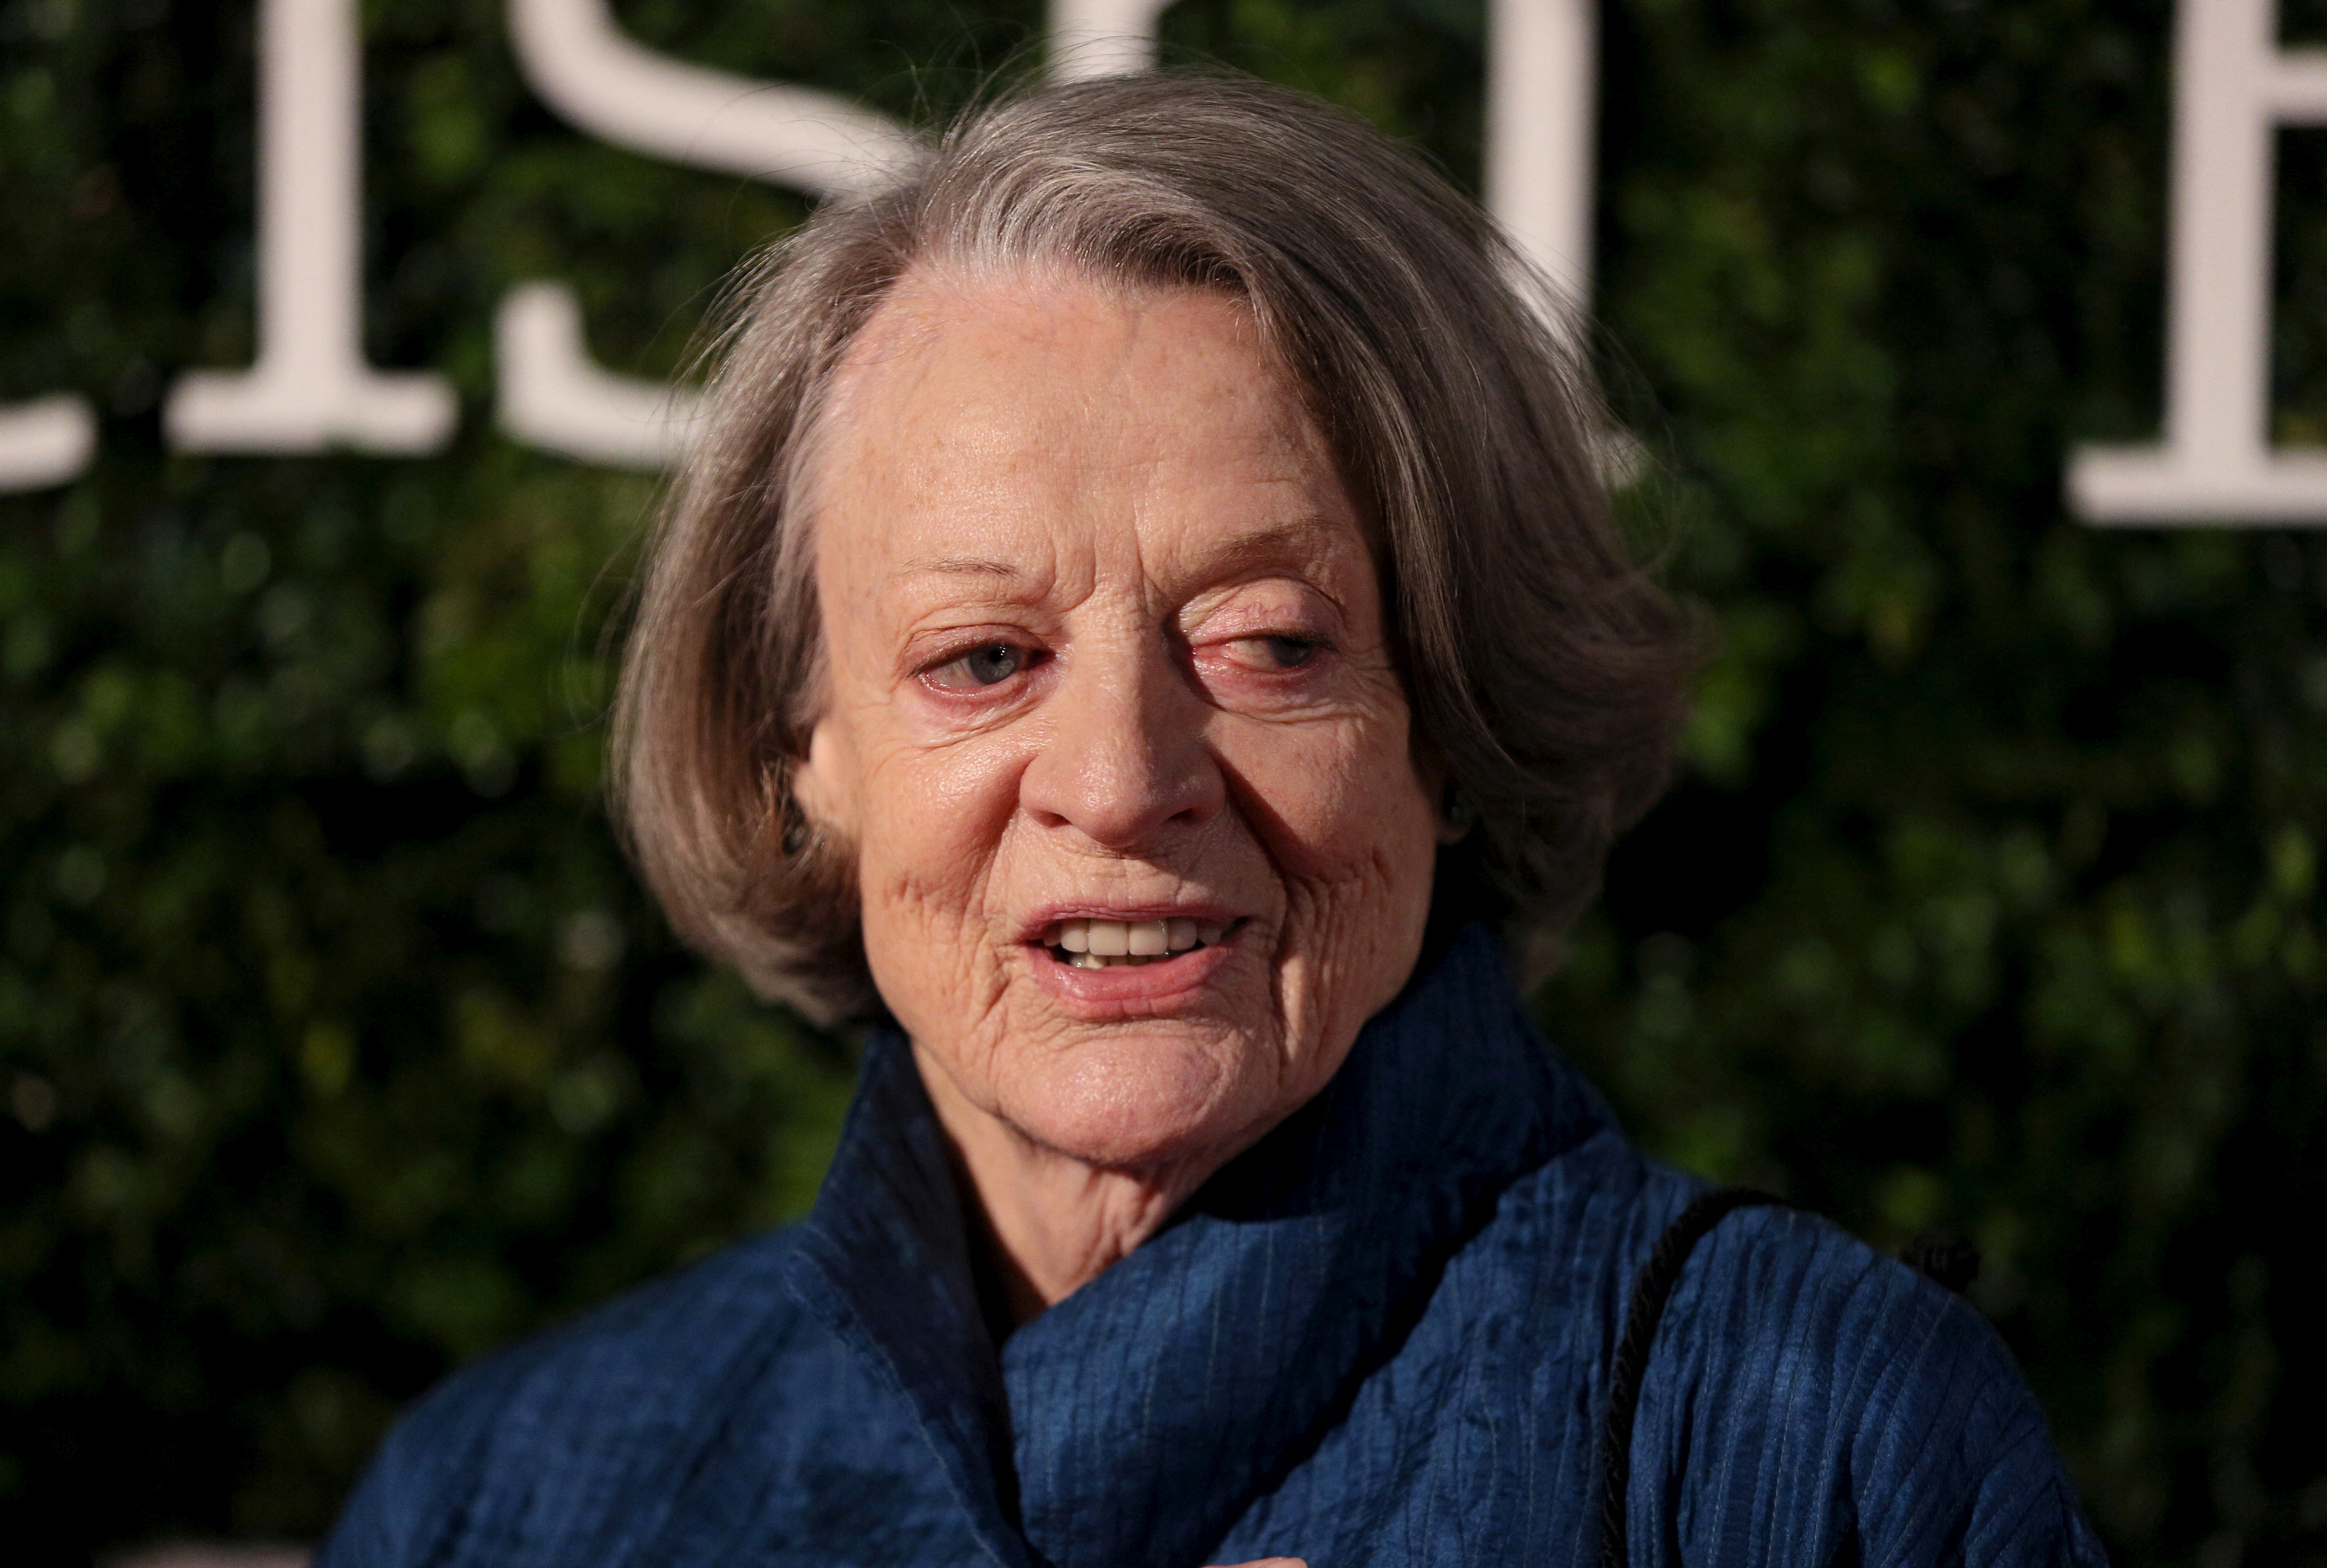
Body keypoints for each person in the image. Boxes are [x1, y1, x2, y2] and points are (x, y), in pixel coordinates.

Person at [316, 73, 2105, 1568]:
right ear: (805, 753)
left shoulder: (1799, 1453)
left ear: (1452, 721)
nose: (1118, 776)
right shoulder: (511, 1499)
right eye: (983, 655)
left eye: (1265, 642)